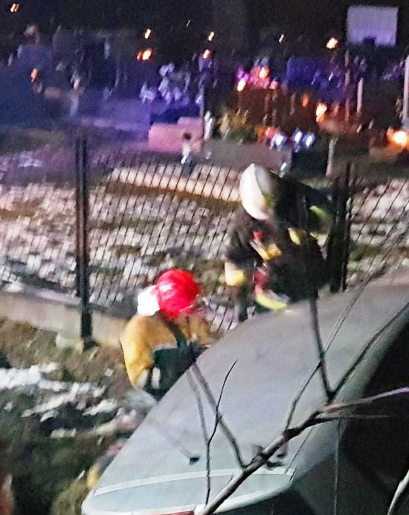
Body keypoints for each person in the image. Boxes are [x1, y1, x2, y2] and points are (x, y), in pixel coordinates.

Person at [224, 165, 331, 315]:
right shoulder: (244, 222)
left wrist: (297, 220)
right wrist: (240, 300)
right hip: (273, 295)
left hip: (312, 281)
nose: (269, 217)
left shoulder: (299, 197)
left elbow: (326, 222)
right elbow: (235, 263)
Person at [120, 268, 214, 399]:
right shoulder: (139, 330)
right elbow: (139, 378)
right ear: (173, 311)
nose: (196, 311)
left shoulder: (190, 317)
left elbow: (205, 342)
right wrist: (174, 374)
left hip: (192, 385)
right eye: (190, 308)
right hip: (161, 395)